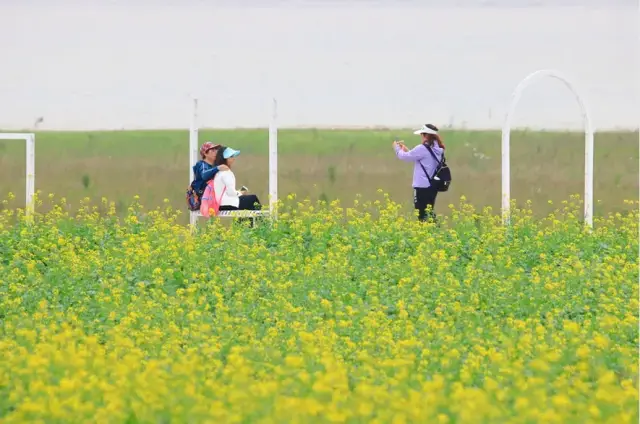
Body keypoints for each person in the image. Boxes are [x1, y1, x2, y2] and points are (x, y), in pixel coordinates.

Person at [393, 124, 445, 222]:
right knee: (429, 212)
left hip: (422, 187)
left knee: (421, 214)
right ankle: (435, 229)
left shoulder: (422, 148)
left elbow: (404, 157)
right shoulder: (438, 149)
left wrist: (397, 148)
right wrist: (407, 150)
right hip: (433, 186)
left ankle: (432, 229)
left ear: (425, 135)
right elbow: (423, 159)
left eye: (422, 134)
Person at [212, 145, 262, 213]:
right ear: (225, 159)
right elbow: (231, 193)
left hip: (220, 204)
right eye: (231, 156)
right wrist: (240, 192)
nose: (233, 158)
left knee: (248, 203)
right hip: (228, 203)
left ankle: (247, 220)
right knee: (253, 199)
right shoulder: (227, 172)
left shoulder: (218, 172)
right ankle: (261, 219)